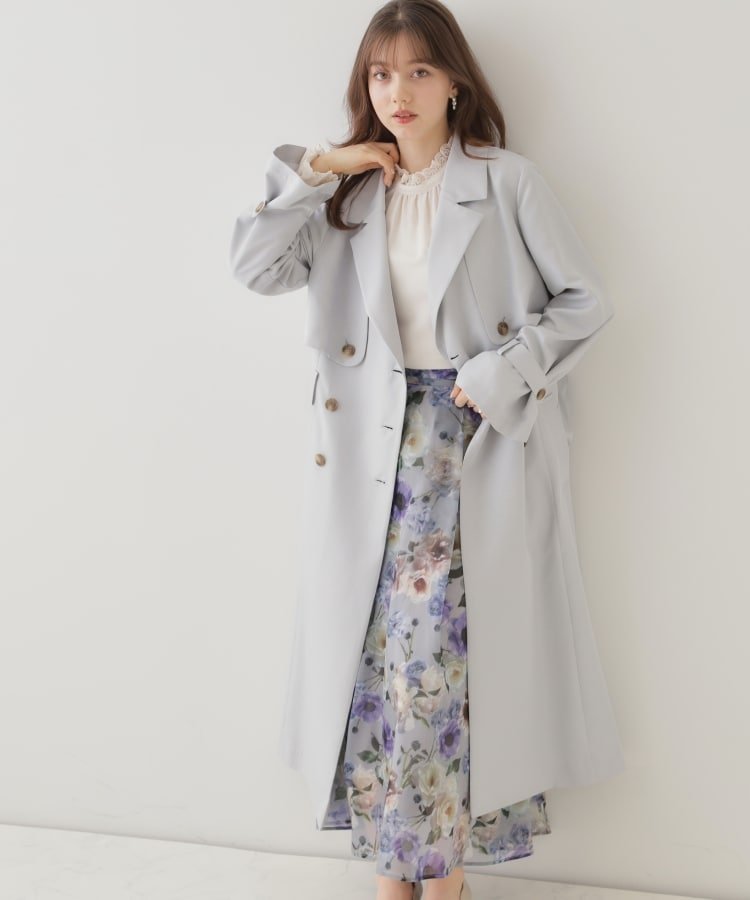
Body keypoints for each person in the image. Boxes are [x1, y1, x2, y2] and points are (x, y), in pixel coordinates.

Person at [229, 2, 625, 898]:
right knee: (380, 662)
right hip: (368, 449)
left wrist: (502, 371)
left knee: (440, 658)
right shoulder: (347, 196)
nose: (397, 92)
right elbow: (255, 269)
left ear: (454, 81)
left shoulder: (507, 181)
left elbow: (585, 301)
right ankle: (398, 870)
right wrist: (316, 167)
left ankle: (435, 876)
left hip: (471, 440)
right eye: (381, 73)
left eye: (417, 71)